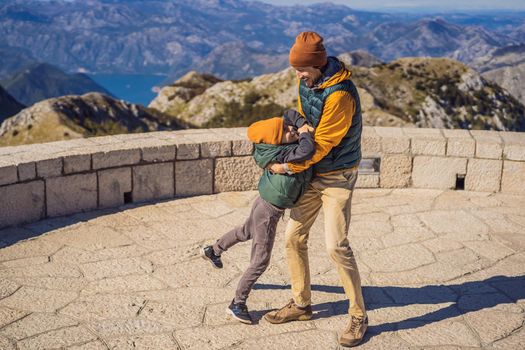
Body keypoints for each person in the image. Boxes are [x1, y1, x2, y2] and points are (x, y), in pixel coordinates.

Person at [263, 31, 367, 347]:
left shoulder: (340, 96)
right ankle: (301, 303)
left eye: (302, 68)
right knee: (293, 238)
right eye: (296, 68)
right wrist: (300, 128)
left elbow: (320, 145)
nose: (297, 74)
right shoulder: (307, 83)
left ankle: (359, 315)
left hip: (336, 176)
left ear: (318, 64)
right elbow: (308, 124)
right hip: (313, 172)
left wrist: (286, 167)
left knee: (336, 246)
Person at [201, 110, 315, 324]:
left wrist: (297, 122)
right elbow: (307, 150)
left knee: (245, 231)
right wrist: (303, 130)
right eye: (285, 131)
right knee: (260, 260)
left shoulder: (276, 147)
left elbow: (289, 113)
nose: (290, 130)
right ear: (276, 141)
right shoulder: (282, 154)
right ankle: (237, 303)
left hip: (263, 201)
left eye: (287, 126)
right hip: (269, 209)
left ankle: (213, 250)